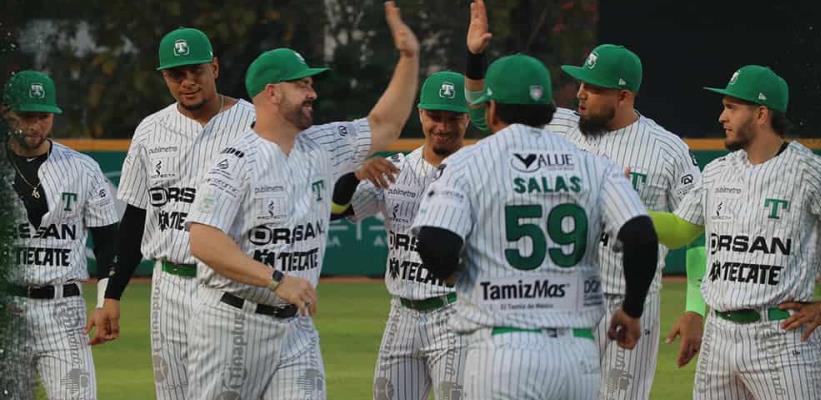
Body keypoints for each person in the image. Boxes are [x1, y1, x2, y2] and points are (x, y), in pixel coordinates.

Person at [464, 5, 705, 397]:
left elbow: (696, 231)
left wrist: (695, 307)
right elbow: (480, 117)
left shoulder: (668, 150)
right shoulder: (557, 126)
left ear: (623, 95)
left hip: (632, 299)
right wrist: (475, 59)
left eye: (593, 88)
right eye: (581, 83)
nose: (580, 93)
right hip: (563, 297)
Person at [185, 2, 420, 398]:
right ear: (272, 93)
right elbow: (203, 240)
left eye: (311, 83)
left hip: (295, 328)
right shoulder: (235, 160)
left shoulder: (323, 145)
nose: (312, 92)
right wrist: (277, 280)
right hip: (231, 325)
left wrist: (409, 58)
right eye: (302, 84)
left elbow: (385, 124)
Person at [411, 54, 658, 399]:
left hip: (502, 349)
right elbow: (641, 236)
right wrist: (632, 309)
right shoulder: (594, 166)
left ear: (491, 109)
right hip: (578, 355)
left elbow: (435, 241)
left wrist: (456, 276)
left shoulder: (466, 164)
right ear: (546, 111)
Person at [651, 65, 821, 399]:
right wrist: (631, 211)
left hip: (780, 337)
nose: (721, 117)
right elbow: (680, 230)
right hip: (718, 337)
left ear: (760, 113)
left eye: (731, 107)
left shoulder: (809, 171)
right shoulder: (716, 172)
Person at [90, 27, 257, 399]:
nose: (187, 82)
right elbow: (134, 220)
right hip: (169, 287)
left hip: (230, 284)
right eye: (175, 75)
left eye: (195, 70)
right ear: (165, 78)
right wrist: (111, 296)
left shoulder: (254, 124)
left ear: (214, 67)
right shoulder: (151, 131)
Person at [331, 70, 469, 399]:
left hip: (456, 311)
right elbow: (336, 210)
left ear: (467, 119)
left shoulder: (479, 171)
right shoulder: (397, 169)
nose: (443, 126)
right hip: (401, 313)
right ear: (421, 114)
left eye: (453, 118)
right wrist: (353, 176)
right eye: (435, 116)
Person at [2, 70, 119, 399]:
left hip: (65, 309)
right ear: (6, 112)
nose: (35, 126)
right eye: (26, 116)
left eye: (43, 117)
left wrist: (107, 299)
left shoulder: (82, 169)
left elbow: (108, 241)